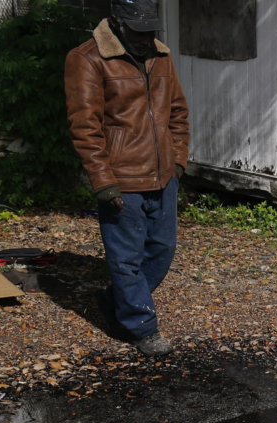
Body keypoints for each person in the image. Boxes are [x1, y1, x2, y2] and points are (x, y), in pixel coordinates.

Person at [64, 0, 189, 357]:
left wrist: (177, 163)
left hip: (164, 177)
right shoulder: (87, 58)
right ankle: (141, 327)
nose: (145, 37)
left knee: (162, 252)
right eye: (138, 30)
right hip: (121, 179)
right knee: (126, 259)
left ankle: (117, 298)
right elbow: (85, 127)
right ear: (117, 23)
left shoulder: (161, 57)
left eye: (150, 30)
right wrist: (103, 181)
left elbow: (178, 112)